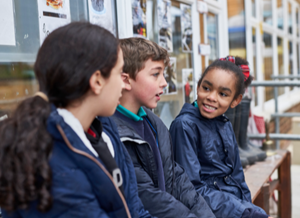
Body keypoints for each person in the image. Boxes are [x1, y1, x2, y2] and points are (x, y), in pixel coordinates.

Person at [0, 22, 150, 218]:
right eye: (119, 73)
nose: (124, 83)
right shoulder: (50, 158)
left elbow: (133, 207)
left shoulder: (104, 130)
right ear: (97, 81)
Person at [99, 37, 215, 218]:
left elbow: (177, 180)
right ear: (126, 81)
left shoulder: (153, 123)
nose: (164, 83)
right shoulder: (113, 133)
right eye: (155, 74)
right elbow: (149, 197)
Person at [169, 57, 272, 218]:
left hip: (231, 203)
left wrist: (247, 205)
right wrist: (241, 211)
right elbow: (190, 188)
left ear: (235, 101)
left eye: (223, 94)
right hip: (206, 208)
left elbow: (237, 175)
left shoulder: (225, 124)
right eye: (206, 88)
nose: (212, 97)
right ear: (198, 87)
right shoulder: (184, 126)